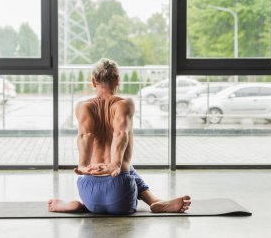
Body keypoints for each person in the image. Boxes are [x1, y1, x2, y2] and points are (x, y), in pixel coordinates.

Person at [48, 58, 191, 214]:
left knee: (119, 172)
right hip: (120, 192)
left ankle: (80, 203)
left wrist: (82, 165)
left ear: (94, 82)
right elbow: (120, 133)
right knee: (128, 168)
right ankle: (155, 201)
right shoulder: (125, 104)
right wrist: (115, 164)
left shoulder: (82, 106)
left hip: (88, 189)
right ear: (117, 80)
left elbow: (85, 135)